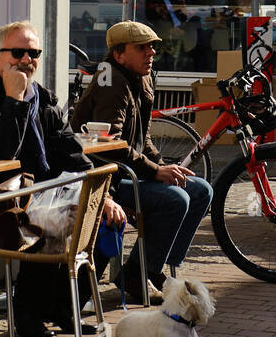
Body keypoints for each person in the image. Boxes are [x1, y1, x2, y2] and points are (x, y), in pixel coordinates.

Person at [0, 21, 125, 337]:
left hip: (39, 196)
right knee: (54, 218)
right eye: (17, 52)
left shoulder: (42, 98)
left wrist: (103, 199)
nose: (26, 59)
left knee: (103, 217)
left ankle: (63, 307)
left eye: (33, 53)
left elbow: (72, 153)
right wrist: (14, 100)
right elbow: (2, 152)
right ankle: (27, 315)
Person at [69, 21, 213, 303]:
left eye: (152, 47)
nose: (151, 53)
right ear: (119, 54)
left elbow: (142, 137)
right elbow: (112, 148)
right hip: (104, 178)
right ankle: (139, 273)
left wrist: (163, 166)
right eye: (142, 48)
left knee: (200, 190)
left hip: (128, 169)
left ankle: (148, 268)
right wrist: (156, 172)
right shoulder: (111, 81)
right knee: (175, 199)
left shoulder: (142, 77)